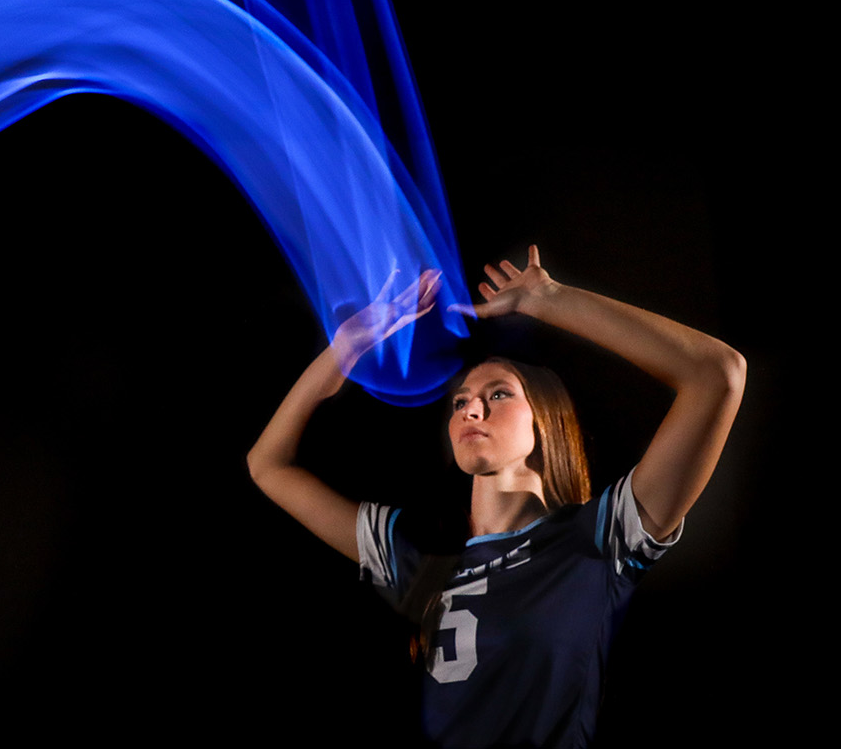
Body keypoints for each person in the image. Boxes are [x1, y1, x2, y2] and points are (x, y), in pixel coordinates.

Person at [246, 247, 745, 748]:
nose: (472, 409)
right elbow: (267, 465)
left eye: (499, 394)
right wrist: (345, 349)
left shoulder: (598, 540)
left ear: (544, 421)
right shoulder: (419, 556)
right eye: (461, 401)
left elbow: (718, 374)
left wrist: (550, 299)